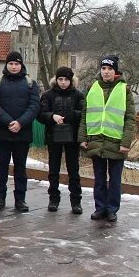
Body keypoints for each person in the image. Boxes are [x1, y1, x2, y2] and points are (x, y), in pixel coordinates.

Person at [79, 56, 136, 222]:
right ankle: (100, 208)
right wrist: (83, 138)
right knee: (99, 178)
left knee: (115, 180)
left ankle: (112, 209)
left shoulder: (124, 89)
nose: (106, 72)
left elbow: (130, 118)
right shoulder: (92, 86)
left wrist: (126, 142)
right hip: (96, 139)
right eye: (103, 68)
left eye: (109, 69)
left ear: (115, 71)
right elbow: (85, 114)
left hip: (116, 141)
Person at [0, 51, 40, 212]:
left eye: (16, 64)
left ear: (21, 65)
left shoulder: (30, 83)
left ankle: (20, 199)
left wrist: (20, 123)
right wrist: (9, 121)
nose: (14, 66)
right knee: (1, 167)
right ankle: (0, 198)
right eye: (11, 64)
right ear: (6, 65)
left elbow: (35, 105)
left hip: (22, 133)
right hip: (3, 132)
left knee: (20, 168)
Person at [37, 66, 85, 214]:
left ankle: (76, 201)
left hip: (72, 137)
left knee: (73, 170)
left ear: (71, 80)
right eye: (60, 79)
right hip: (54, 136)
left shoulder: (78, 95)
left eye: (66, 79)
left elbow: (84, 113)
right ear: (56, 80)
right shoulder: (48, 95)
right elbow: (40, 114)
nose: (63, 82)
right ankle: (53, 199)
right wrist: (52, 116)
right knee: (53, 170)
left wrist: (73, 115)